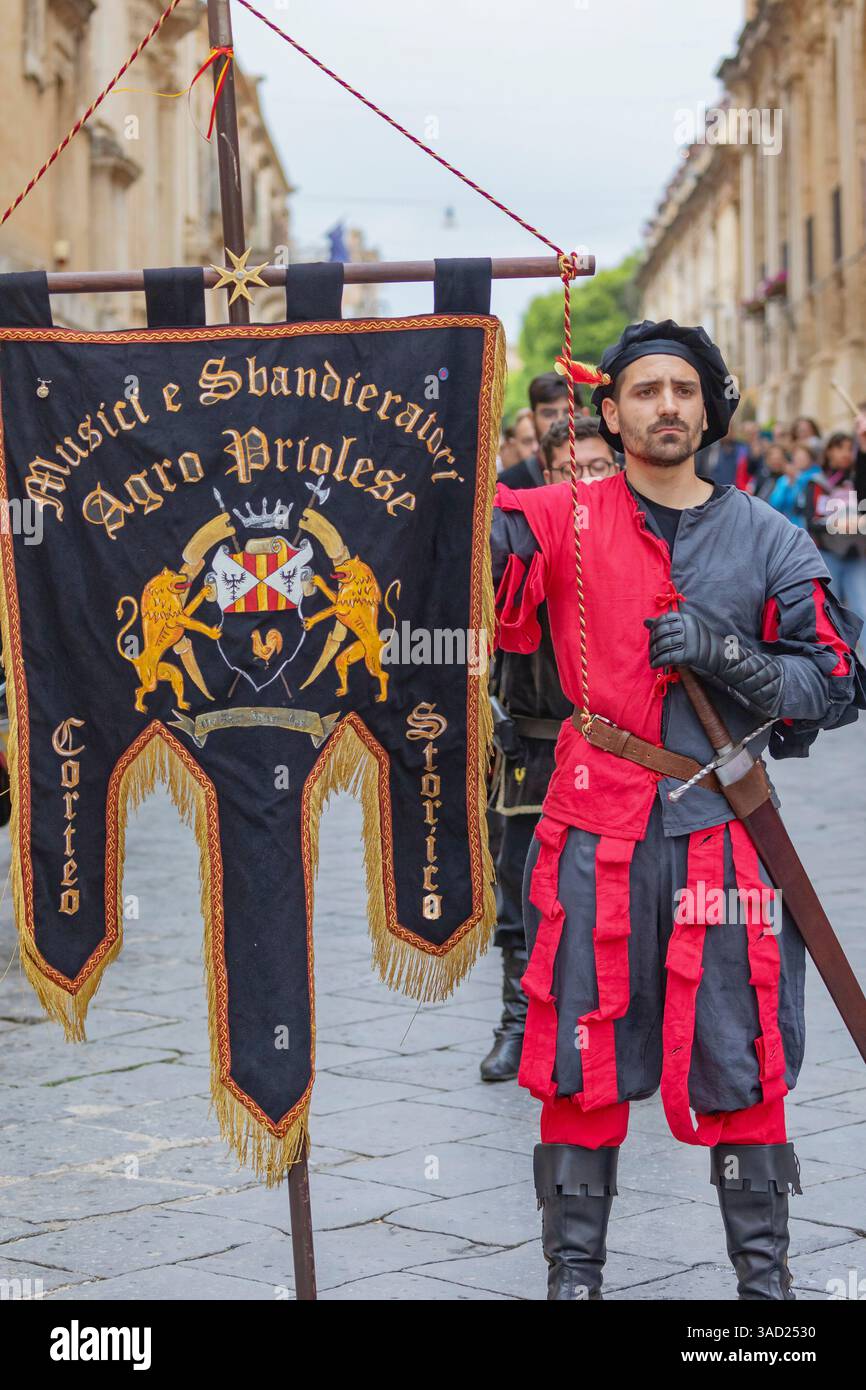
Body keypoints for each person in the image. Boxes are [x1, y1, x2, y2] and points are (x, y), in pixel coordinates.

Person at [490, 318, 864, 1301]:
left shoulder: (766, 535)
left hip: (722, 841)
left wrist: (724, 652)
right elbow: (450, 525)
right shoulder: (552, 514)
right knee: (578, 1061)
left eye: (683, 390)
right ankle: (572, 1278)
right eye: (644, 390)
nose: (666, 405)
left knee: (742, 1060)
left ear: (707, 406)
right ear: (606, 412)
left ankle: (763, 1285)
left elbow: (832, 678)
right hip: (588, 836)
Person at [481, 416, 617, 1082]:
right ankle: (518, 1017)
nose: (584, 483)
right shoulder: (525, 535)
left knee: (610, 895)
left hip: (618, 757)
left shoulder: (642, 541)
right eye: (570, 471)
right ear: (548, 475)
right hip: (531, 749)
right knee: (520, 891)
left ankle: (611, 1026)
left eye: (597, 469)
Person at [807, 427, 866, 622]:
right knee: (831, 614)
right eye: (840, 448)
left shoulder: (857, 481)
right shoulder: (817, 482)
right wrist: (837, 524)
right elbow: (812, 522)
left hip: (856, 554)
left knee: (861, 610)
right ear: (829, 451)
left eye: (850, 449)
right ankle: (835, 654)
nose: (845, 454)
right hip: (828, 555)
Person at [498, 373, 569, 489]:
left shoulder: (604, 470)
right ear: (532, 418)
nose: (560, 420)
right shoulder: (507, 485)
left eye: (569, 412)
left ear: (584, 413)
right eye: (549, 414)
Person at [768, 441, 822, 527]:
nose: (800, 460)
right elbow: (774, 504)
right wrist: (787, 485)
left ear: (811, 459)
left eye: (804, 457)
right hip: (788, 526)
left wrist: (797, 478)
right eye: (797, 457)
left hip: (808, 526)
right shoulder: (785, 479)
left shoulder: (816, 477)